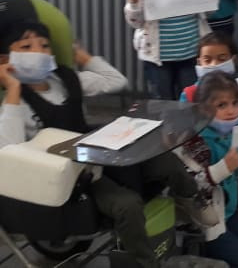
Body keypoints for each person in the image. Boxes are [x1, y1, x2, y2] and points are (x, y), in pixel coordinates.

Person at [0, 21, 203, 268]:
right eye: (26, 47)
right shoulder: (15, 104)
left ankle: (191, 204)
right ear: (5, 59)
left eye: (44, 46)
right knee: (127, 205)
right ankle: (145, 263)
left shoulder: (63, 80)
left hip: (97, 153)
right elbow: (7, 150)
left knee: (166, 162)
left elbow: (116, 81)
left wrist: (83, 57)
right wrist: (12, 88)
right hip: (71, 175)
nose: (38, 52)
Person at [176, 72, 238, 268]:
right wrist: (223, 168)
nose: (232, 111)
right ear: (202, 109)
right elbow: (189, 189)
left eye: (235, 103)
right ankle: (194, 245)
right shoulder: (193, 142)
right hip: (204, 220)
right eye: (221, 105)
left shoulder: (233, 132)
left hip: (227, 210)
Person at [181, 31, 238, 102]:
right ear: (199, 63)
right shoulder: (189, 94)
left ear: (234, 60)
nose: (214, 64)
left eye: (222, 59)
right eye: (207, 60)